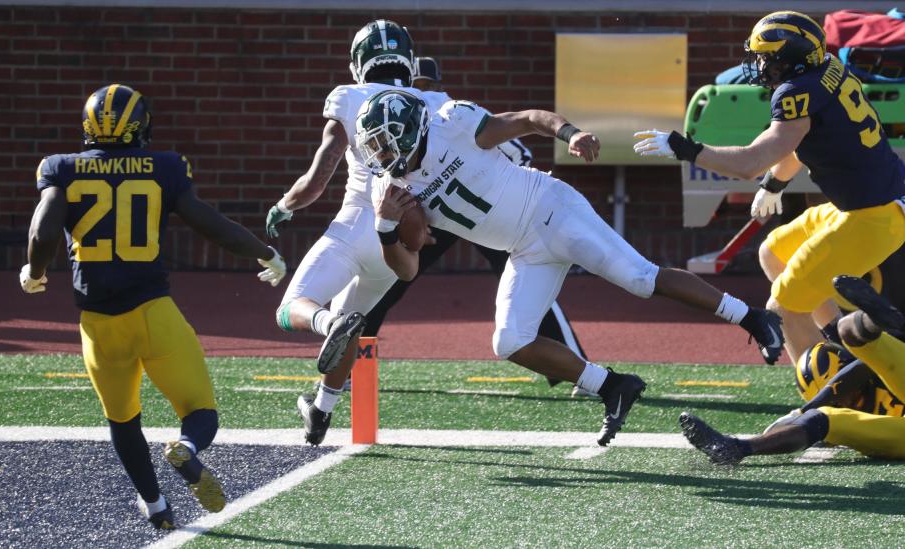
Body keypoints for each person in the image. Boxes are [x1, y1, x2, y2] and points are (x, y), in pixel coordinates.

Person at [357, 89, 784, 445]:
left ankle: (752, 316)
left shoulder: (455, 124)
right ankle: (613, 386)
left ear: (409, 128)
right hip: (524, 249)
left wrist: (571, 133)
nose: (379, 152)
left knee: (640, 277)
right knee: (509, 340)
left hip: (551, 210)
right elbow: (407, 269)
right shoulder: (391, 189)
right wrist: (386, 228)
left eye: (383, 140)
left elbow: (527, 118)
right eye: (372, 145)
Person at [18, 84, 287, 529]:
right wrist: (265, 252)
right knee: (200, 411)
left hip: (99, 325)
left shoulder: (59, 168)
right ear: (141, 125)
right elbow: (210, 224)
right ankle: (187, 448)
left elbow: (43, 231)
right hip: (153, 312)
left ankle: (156, 506)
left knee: (123, 419)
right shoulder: (164, 166)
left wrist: (35, 271)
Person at [635, 11, 905, 365]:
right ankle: (847, 352)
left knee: (785, 307)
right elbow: (798, 142)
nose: (759, 64)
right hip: (877, 204)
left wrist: (687, 149)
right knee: (774, 252)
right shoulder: (828, 69)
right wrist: (775, 184)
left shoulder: (796, 91)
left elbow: (750, 161)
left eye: (765, 56)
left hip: (873, 217)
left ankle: (826, 396)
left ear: (787, 60)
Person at [262, 20, 446, 446]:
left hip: (355, 224)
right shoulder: (434, 102)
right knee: (354, 328)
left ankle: (327, 323)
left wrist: (284, 205)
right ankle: (321, 411)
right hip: (395, 242)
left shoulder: (348, 97)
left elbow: (318, 177)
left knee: (293, 308)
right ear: (408, 61)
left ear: (358, 64)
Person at [363, 56, 588, 391]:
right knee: (390, 279)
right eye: (417, 86)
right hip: (438, 210)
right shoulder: (397, 120)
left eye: (427, 87)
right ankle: (357, 355)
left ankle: (573, 365)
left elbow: (518, 151)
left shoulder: (450, 117)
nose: (422, 91)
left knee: (527, 279)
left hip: (488, 206)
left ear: (438, 88)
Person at [681, 275, 905, 464]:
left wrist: (809, 406)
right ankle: (736, 448)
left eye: (849, 396)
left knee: (850, 333)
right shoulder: (839, 414)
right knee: (823, 419)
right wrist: (811, 413)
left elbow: (861, 366)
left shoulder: (862, 372)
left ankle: (878, 320)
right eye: (840, 404)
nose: (849, 403)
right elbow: (821, 421)